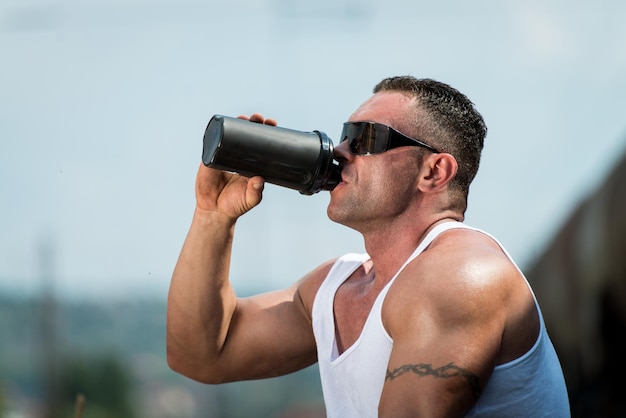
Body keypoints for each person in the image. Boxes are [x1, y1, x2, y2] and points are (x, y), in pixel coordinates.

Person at [166, 76, 570, 417]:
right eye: (344, 136)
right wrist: (212, 216)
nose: (340, 151)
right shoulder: (337, 288)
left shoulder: (463, 275)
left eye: (366, 139)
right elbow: (202, 354)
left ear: (433, 171)